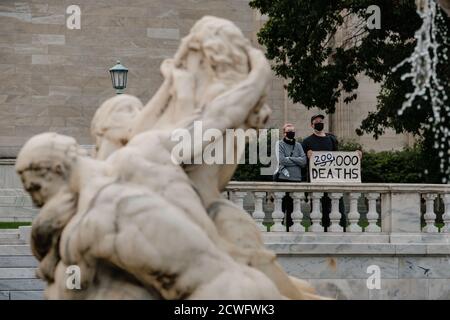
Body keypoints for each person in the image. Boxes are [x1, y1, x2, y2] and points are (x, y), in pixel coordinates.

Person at [302, 114, 341, 231]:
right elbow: (302, 161)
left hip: (329, 178)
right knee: (314, 204)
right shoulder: (307, 141)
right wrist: (306, 155)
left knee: (327, 205)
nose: (319, 123)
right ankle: (314, 227)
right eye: (316, 121)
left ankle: (326, 227)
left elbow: (338, 157)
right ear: (311, 125)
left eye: (321, 121)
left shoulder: (331, 139)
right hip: (314, 179)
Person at [274, 123, 307, 230]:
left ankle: (291, 229)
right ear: (284, 133)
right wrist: (296, 160)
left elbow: (304, 161)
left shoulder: (298, 145)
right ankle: (280, 230)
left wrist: (290, 159)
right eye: (289, 131)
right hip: (283, 179)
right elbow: (282, 160)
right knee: (282, 207)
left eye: (293, 131)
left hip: (296, 180)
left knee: (293, 208)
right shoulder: (279, 144)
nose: (291, 133)